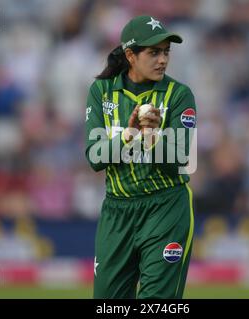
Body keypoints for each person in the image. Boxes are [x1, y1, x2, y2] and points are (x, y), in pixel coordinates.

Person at [84, 15, 196, 299]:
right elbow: (95, 158)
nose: (163, 60)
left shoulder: (178, 95)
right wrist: (129, 134)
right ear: (131, 55)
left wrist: (153, 137)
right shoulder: (102, 91)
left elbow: (180, 158)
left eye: (166, 52)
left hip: (165, 208)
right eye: (154, 52)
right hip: (117, 211)